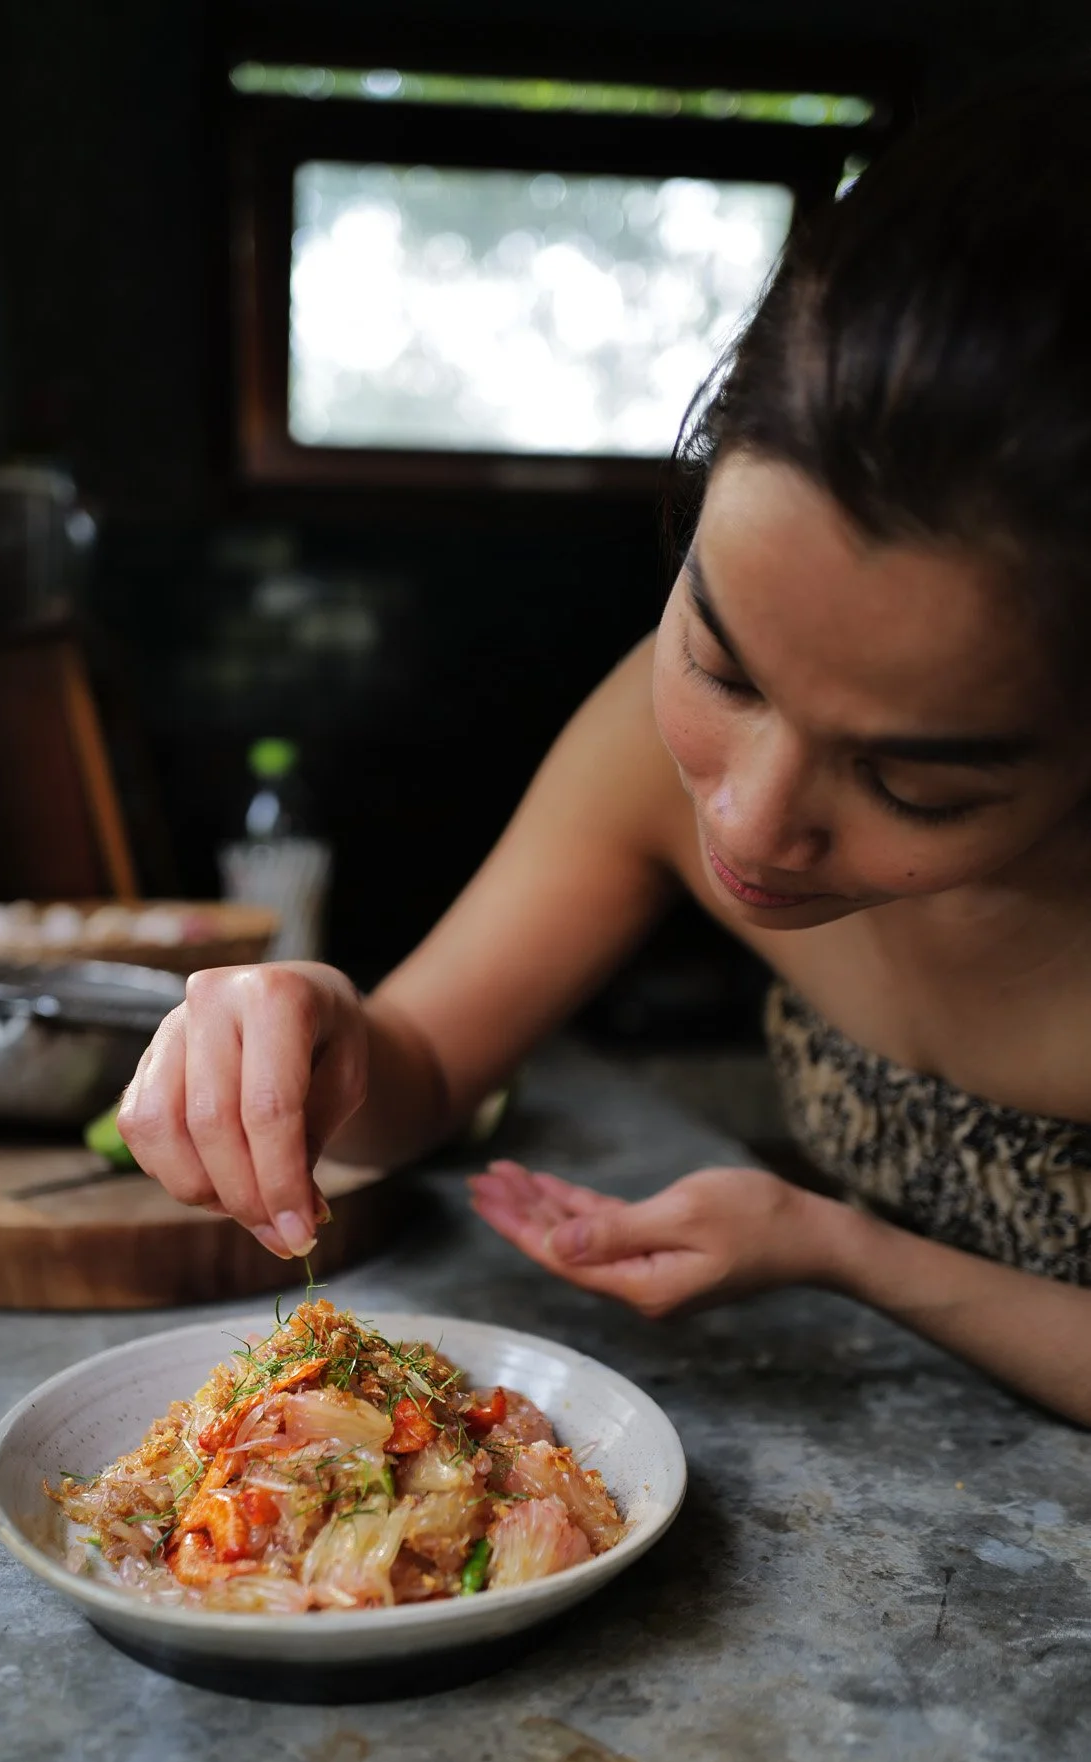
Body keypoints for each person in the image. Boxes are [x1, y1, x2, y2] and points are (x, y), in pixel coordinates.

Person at [119, 75, 1091, 1426]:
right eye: (719, 665)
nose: (747, 826)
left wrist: (846, 1250)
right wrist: (321, 1030)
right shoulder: (641, 741)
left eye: (913, 782)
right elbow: (419, 1071)